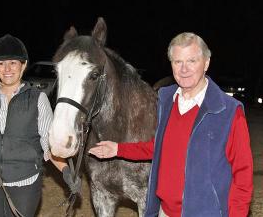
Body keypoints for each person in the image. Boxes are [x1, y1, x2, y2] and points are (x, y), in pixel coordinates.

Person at [89, 32, 253, 217]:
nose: (184, 69)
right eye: (178, 62)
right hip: (165, 211)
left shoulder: (228, 111)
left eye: (192, 61)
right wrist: (118, 149)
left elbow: (243, 174)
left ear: (206, 63)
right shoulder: (166, 100)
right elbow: (160, 146)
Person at [0, 34, 80, 217]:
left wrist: (66, 171)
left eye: (13, 62)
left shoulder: (38, 99)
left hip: (25, 185)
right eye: (1, 63)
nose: (7, 69)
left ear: (23, 65)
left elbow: (47, 146)